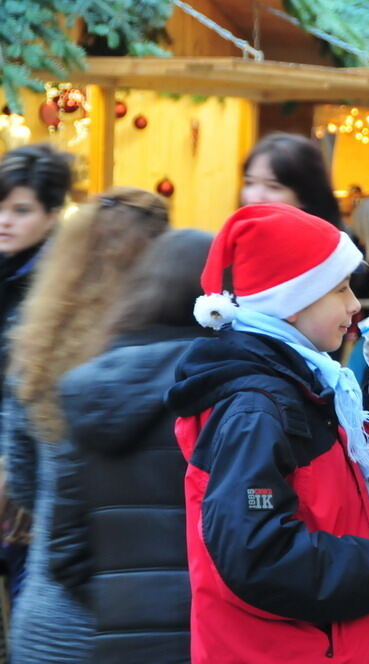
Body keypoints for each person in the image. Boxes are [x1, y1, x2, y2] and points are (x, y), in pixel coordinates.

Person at [166, 203, 369, 663]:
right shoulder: (258, 410)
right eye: (339, 289)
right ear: (291, 304)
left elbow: (352, 499)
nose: (354, 305)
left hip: (333, 638)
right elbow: (255, 545)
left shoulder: (308, 384)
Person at [2, 187, 169, 663]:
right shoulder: (173, 366)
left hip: (48, 614)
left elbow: (28, 484)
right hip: (149, 619)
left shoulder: (34, 361)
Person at [47, 230, 213, 663]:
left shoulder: (88, 390)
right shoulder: (228, 387)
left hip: (122, 639)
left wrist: (124, 600)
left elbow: (65, 550)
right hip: (217, 633)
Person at [0, 143, 72, 609]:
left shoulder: (60, 284)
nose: (5, 221)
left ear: (52, 214)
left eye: (21, 210)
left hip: (27, 478)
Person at [241, 132, 344, 229]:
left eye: (273, 186)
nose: (255, 198)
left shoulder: (333, 245)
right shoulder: (237, 239)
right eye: (249, 183)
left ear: (305, 196)